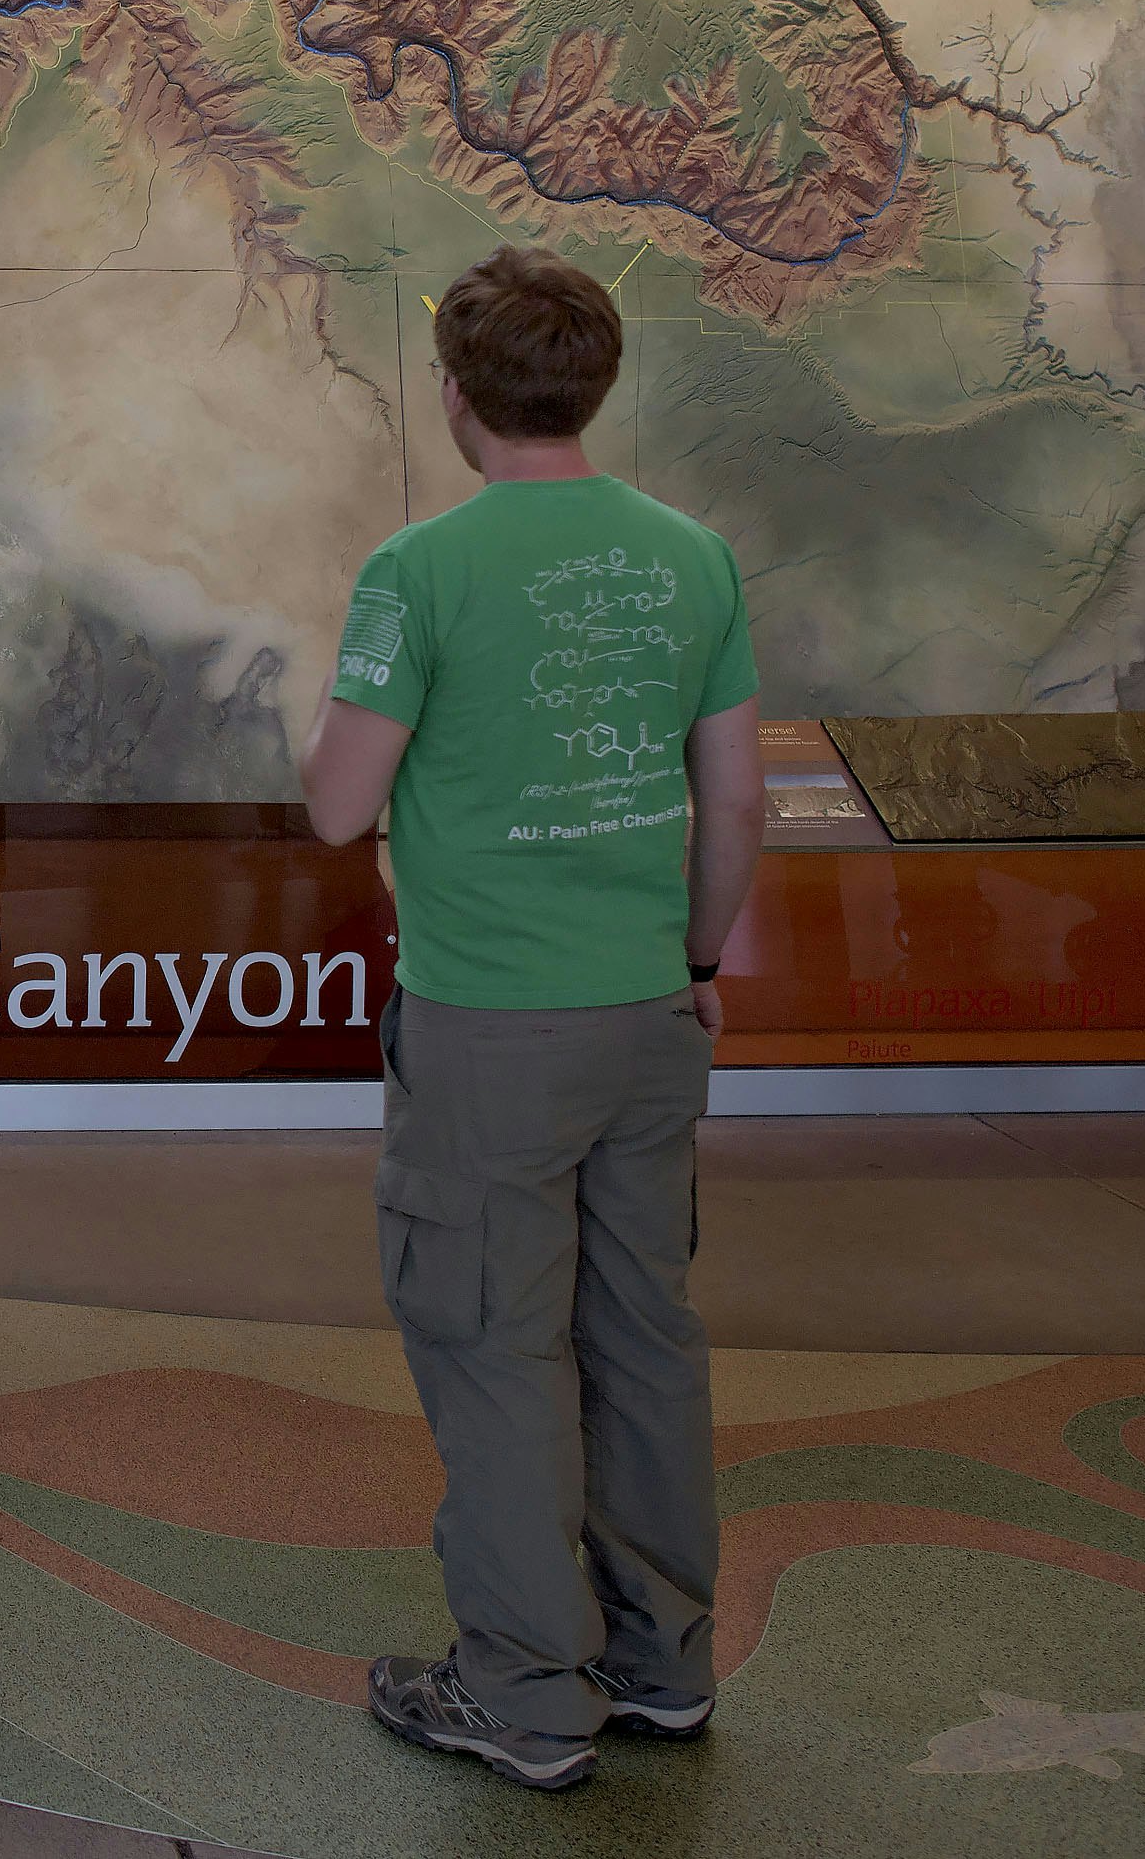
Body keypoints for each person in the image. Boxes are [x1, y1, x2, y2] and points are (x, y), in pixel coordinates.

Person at [298, 246, 764, 1795]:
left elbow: (335, 805)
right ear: (596, 384)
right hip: (648, 1011)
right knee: (642, 1338)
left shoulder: (417, 572)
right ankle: (661, 1663)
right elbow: (735, 795)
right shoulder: (691, 559)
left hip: (490, 1024)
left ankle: (522, 1693)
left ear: (453, 397)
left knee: (496, 1350)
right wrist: (695, 948)